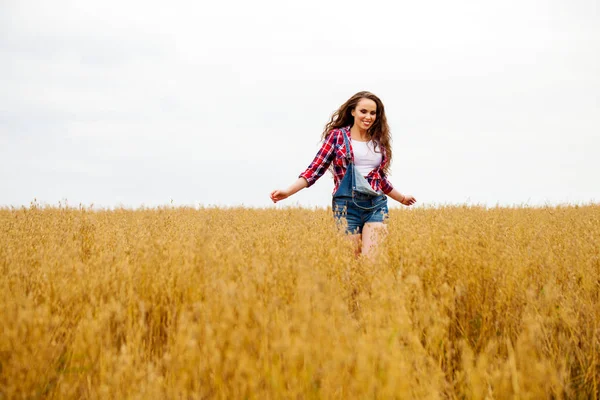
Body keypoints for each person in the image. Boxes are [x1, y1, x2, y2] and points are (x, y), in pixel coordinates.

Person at [270, 91, 416, 257]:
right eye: (363, 111)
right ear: (353, 111)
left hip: (376, 205)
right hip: (346, 207)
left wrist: (401, 198)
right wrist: (287, 192)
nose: (368, 117)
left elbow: (380, 179)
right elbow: (315, 169)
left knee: (372, 262)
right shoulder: (337, 136)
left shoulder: (378, 141)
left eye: (373, 113)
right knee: (351, 264)